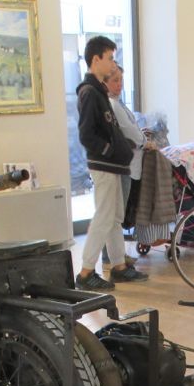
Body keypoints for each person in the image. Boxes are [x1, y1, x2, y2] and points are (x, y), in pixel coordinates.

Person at [74, 35, 147, 291]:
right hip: (103, 166)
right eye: (110, 58)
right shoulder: (89, 92)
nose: (113, 64)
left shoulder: (99, 91)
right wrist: (109, 150)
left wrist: (119, 149)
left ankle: (119, 266)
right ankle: (86, 272)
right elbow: (86, 135)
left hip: (113, 165)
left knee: (114, 217)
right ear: (96, 59)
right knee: (104, 217)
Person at [104, 63, 144, 266]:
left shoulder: (117, 103)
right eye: (115, 80)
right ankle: (113, 256)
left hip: (127, 163)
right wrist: (144, 141)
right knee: (115, 214)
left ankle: (115, 254)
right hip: (122, 165)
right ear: (105, 82)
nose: (119, 84)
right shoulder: (112, 105)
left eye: (121, 80)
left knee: (116, 213)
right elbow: (130, 130)